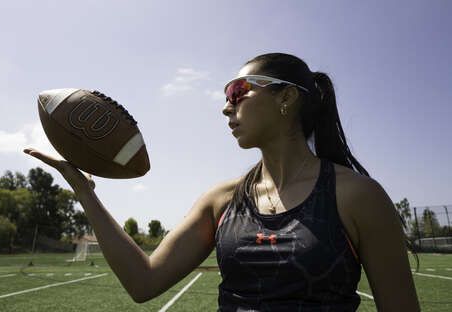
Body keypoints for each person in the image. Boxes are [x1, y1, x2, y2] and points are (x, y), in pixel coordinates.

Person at [24, 52, 420, 311]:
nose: (226, 105)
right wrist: (83, 190)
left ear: (287, 99)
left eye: (237, 91)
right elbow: (142, 282)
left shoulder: (357, 197)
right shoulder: (221, 200)